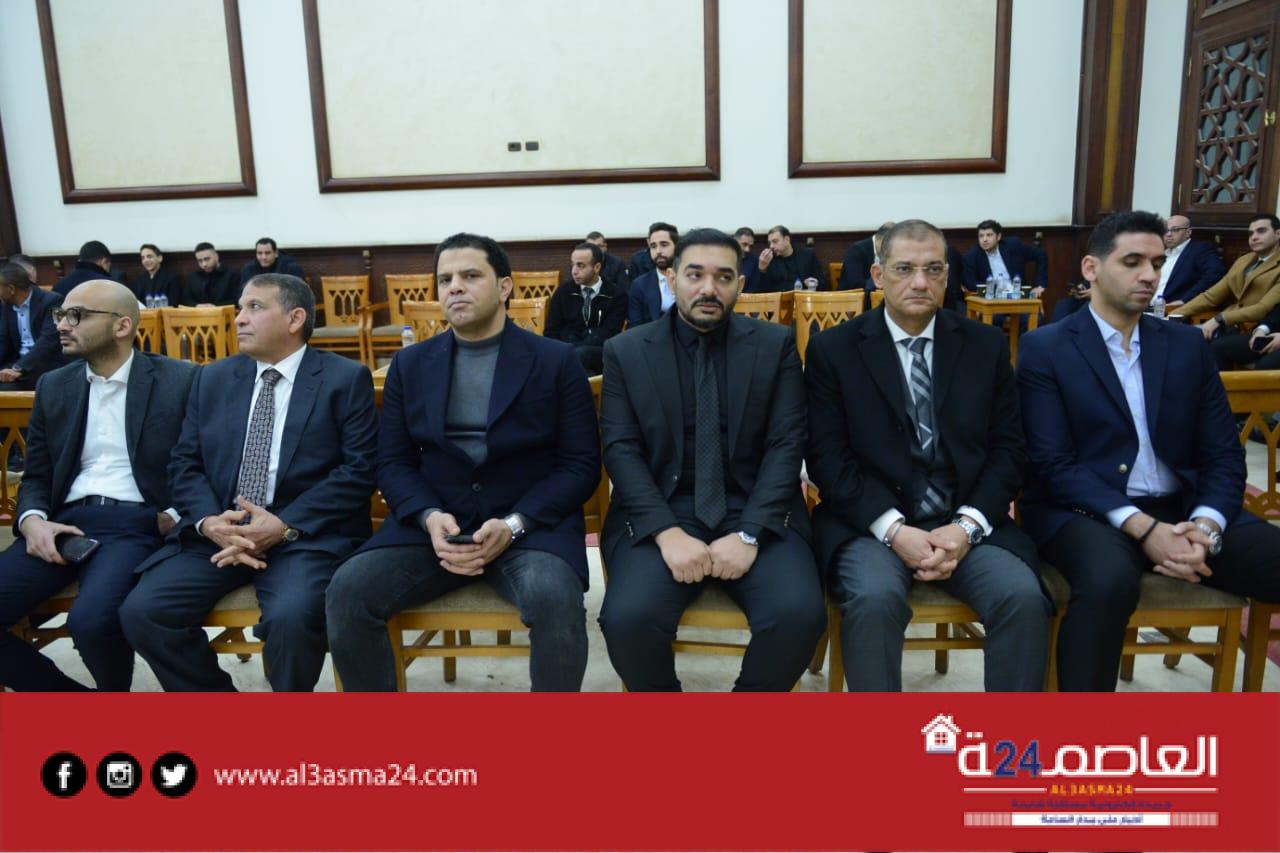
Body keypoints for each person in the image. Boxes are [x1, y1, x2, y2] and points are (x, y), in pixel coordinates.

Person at [1018, 210, 1280, 691]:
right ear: (1092, 269)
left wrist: (1205, 527)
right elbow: (1052, 464)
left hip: (1183, 508)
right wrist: (1145, 529)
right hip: (1085, 512)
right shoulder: (1046, 348)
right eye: (1132, 261)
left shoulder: (1186, 346)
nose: (1149, 276)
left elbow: (1223, 455)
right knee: (1107, 582)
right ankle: (1079, 730)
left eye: (1157, 263)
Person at [326, 233, 599, 692]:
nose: (454, 287)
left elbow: (580, 464)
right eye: (445, 279)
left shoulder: (556, 361)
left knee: (555, 599)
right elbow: (392, 461)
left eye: (470, 275)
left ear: (505, 287)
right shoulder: (410, 365)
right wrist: (428, 516)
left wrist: (515, 524)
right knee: (348, 590)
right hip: (435, 526)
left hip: (529, 525)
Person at [806, 219, 1050, 691]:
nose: (920, 282)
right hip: (870, 523)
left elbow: (1008, 449)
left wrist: (966, 527)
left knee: (1020, 598)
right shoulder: (833, 350)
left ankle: (1011, 738)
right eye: (904, 269)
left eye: (933, 269)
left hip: (964, 520)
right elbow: (827, 458)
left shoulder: (984, 346)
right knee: (874, 600)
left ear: (947, 276)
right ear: (878, 276)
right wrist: (894, 530)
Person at [119, 274, 377, 691]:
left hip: (302, 537)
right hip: (221, 531)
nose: (239, 318)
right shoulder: (213, 378)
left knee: (293, 618)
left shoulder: (344, 379)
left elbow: (358, 470)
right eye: (240, 308)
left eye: (255, 307)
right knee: (144, 612)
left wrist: (284, 525)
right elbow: (185, 463)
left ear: (295, 318)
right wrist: (209, 522)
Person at [599, 227, 825, 691]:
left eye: (723, 277)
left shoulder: (774, 345)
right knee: (627, 619)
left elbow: (787, 445)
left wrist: (750, 532)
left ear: (740, 284)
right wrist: (665, 533)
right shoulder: (626, 351)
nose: (709, 288)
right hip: (663, 509)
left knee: (799, 615)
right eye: (695, 275)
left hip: (755, 507)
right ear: (672, 279)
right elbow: (621, 449)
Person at [0, 280, 196, 690]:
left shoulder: (180, 380)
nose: (61, 325)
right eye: (60, 315)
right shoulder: (55, 385)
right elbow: (38, 473)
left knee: (91, 622)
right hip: (62, 523)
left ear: (122, 326)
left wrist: (173, 516)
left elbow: (205, 462)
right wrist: (32, 520)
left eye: (77, 316)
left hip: (137, 524)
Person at [1178, 214, 1280, 370]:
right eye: (1251, 233)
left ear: (1278, 234)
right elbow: (1211, 296)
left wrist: (1220, 319)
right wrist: (1174, 314)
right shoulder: (1244, 260)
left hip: (1248, 325)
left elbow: (1263, 308)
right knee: (1178, 338)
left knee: (1206, 345)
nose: (1254, 237)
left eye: (1261, 231)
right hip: (1227, 325)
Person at [544, 242, 627, 375]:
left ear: (597, 267)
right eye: (572, 265)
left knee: (581, 355)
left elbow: (609, 333)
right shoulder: (563, 292)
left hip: (599, 353)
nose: (574, 271)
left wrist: (576, 345)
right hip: (566, 351)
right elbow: (551, 331)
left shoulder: (615, 295)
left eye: (580, 265)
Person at [0, 262, 66, 390]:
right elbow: (3, 340)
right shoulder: (6, 305)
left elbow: (49, 341)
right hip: (18, 362)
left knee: (6, 389)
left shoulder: (54, 301)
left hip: (47, 364)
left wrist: (19, 368)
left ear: (11, 289)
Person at [961, 220, 1048, 296]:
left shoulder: (1013, 245)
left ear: (998, 237)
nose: (984, 239)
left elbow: (1041, 255)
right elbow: (970, 283)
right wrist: (996, 289)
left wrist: (1040, 285)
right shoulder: (971, 256)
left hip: (1019, 296)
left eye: (989, 235)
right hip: (992, 300)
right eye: (981, 236)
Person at [1156, 214, 1226, 309]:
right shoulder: (1160, 252)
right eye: (1165, 230)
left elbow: (1214, 274)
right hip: (1146, 306)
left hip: (1173, 309)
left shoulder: (1200, 249)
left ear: (1188, 232)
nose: (1168, 234)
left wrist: (1185, 300)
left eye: (1175, 230)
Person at [627, 222, 679, 327]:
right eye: (653, 246)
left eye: (664, 245)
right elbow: (635, 326)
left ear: (677, 246)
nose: (658, 251)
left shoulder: (691, 280)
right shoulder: (639, 285)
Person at [750, 225, 821, 293]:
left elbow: (822, 283)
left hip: (803, 298)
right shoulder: (769, 260)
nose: (771, 246)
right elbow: (761, 291)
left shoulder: (807, 255)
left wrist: (813, 283)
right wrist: (762, 269)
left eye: (775, 241)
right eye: (769, 243)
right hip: (779, 300)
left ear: (787, 239)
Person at [239, 237, 305, 285]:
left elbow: (299, 293)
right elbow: (243, 293)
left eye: (267, 253)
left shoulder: (291, 268)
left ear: (276, 253)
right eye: (259, 253)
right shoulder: (248, 269)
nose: (263, 257)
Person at [734, 227, 760, 291]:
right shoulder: (723, 257)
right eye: (744, 244)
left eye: (750, 246)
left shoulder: (754, 260)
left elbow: (753, 288)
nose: (747, 250)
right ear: (734, 242)